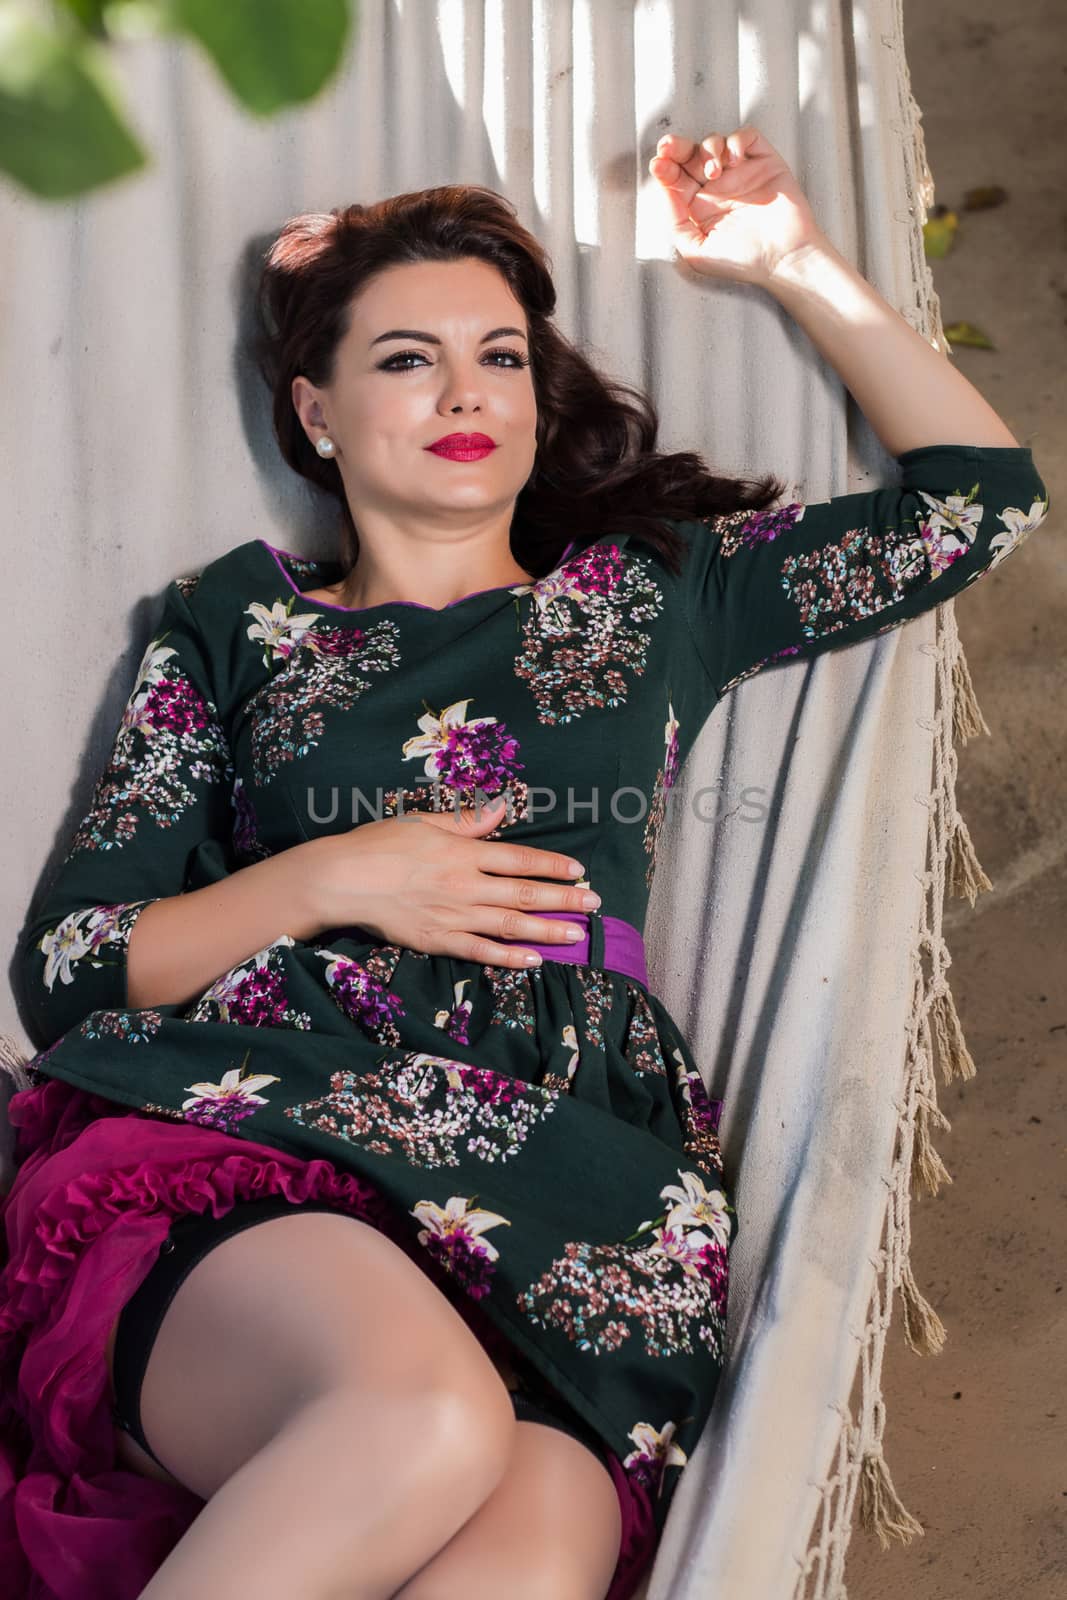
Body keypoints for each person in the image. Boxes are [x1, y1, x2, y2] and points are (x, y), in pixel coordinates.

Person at [0, 124, 1050, 1600]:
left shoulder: (657, 593)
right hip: (275, 1130)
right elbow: (74, 968)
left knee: (538, 1530)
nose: (466, 393)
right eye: (407, 359)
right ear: (314, 409)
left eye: (499, 355)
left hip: (582, 1185)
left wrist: (792, 262)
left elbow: (977, 503)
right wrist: (331, 879)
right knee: (419, 1419)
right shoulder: (235, 627)